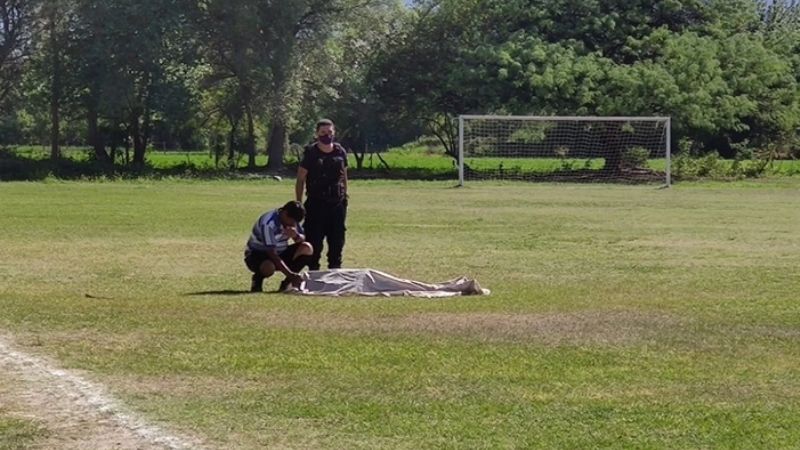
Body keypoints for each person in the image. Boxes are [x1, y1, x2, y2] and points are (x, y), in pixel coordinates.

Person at [295, 119, 348, 270]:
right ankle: (313, 272)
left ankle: (335, 270)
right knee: (315, 239)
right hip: (316, 203)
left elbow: (344, 175)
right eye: (323, 133)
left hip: (337, 204)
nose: (327, 135)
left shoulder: (340, 151)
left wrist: (345, 195)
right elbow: (300, 179)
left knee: (337, 239)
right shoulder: (311, 153)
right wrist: (299, 203)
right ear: (317, 134)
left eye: (330, 132)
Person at [244, 201, 313, 292]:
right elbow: (272, 253)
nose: (292, 224)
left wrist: (296, 236)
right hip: (258, 254)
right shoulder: (268, 223)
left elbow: (302, 239)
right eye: (291, 220)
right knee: (269, 267)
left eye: (295, 222)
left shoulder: (293, 220)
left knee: (307, 248)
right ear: (284, 213)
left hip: (281, 251)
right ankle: (257, 279)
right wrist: (290, 274)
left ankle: (287, 283)